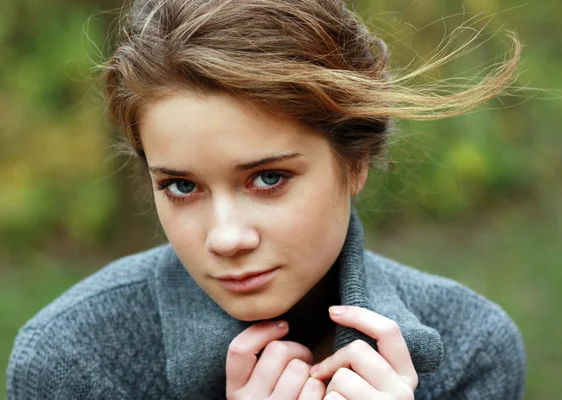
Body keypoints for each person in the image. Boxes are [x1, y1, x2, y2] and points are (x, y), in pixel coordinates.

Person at [6, 0, 526, 399]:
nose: (227, 238)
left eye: (268, 179)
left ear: (356, 161)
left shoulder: (468, 348)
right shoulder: (71, 358)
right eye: (182, 186)